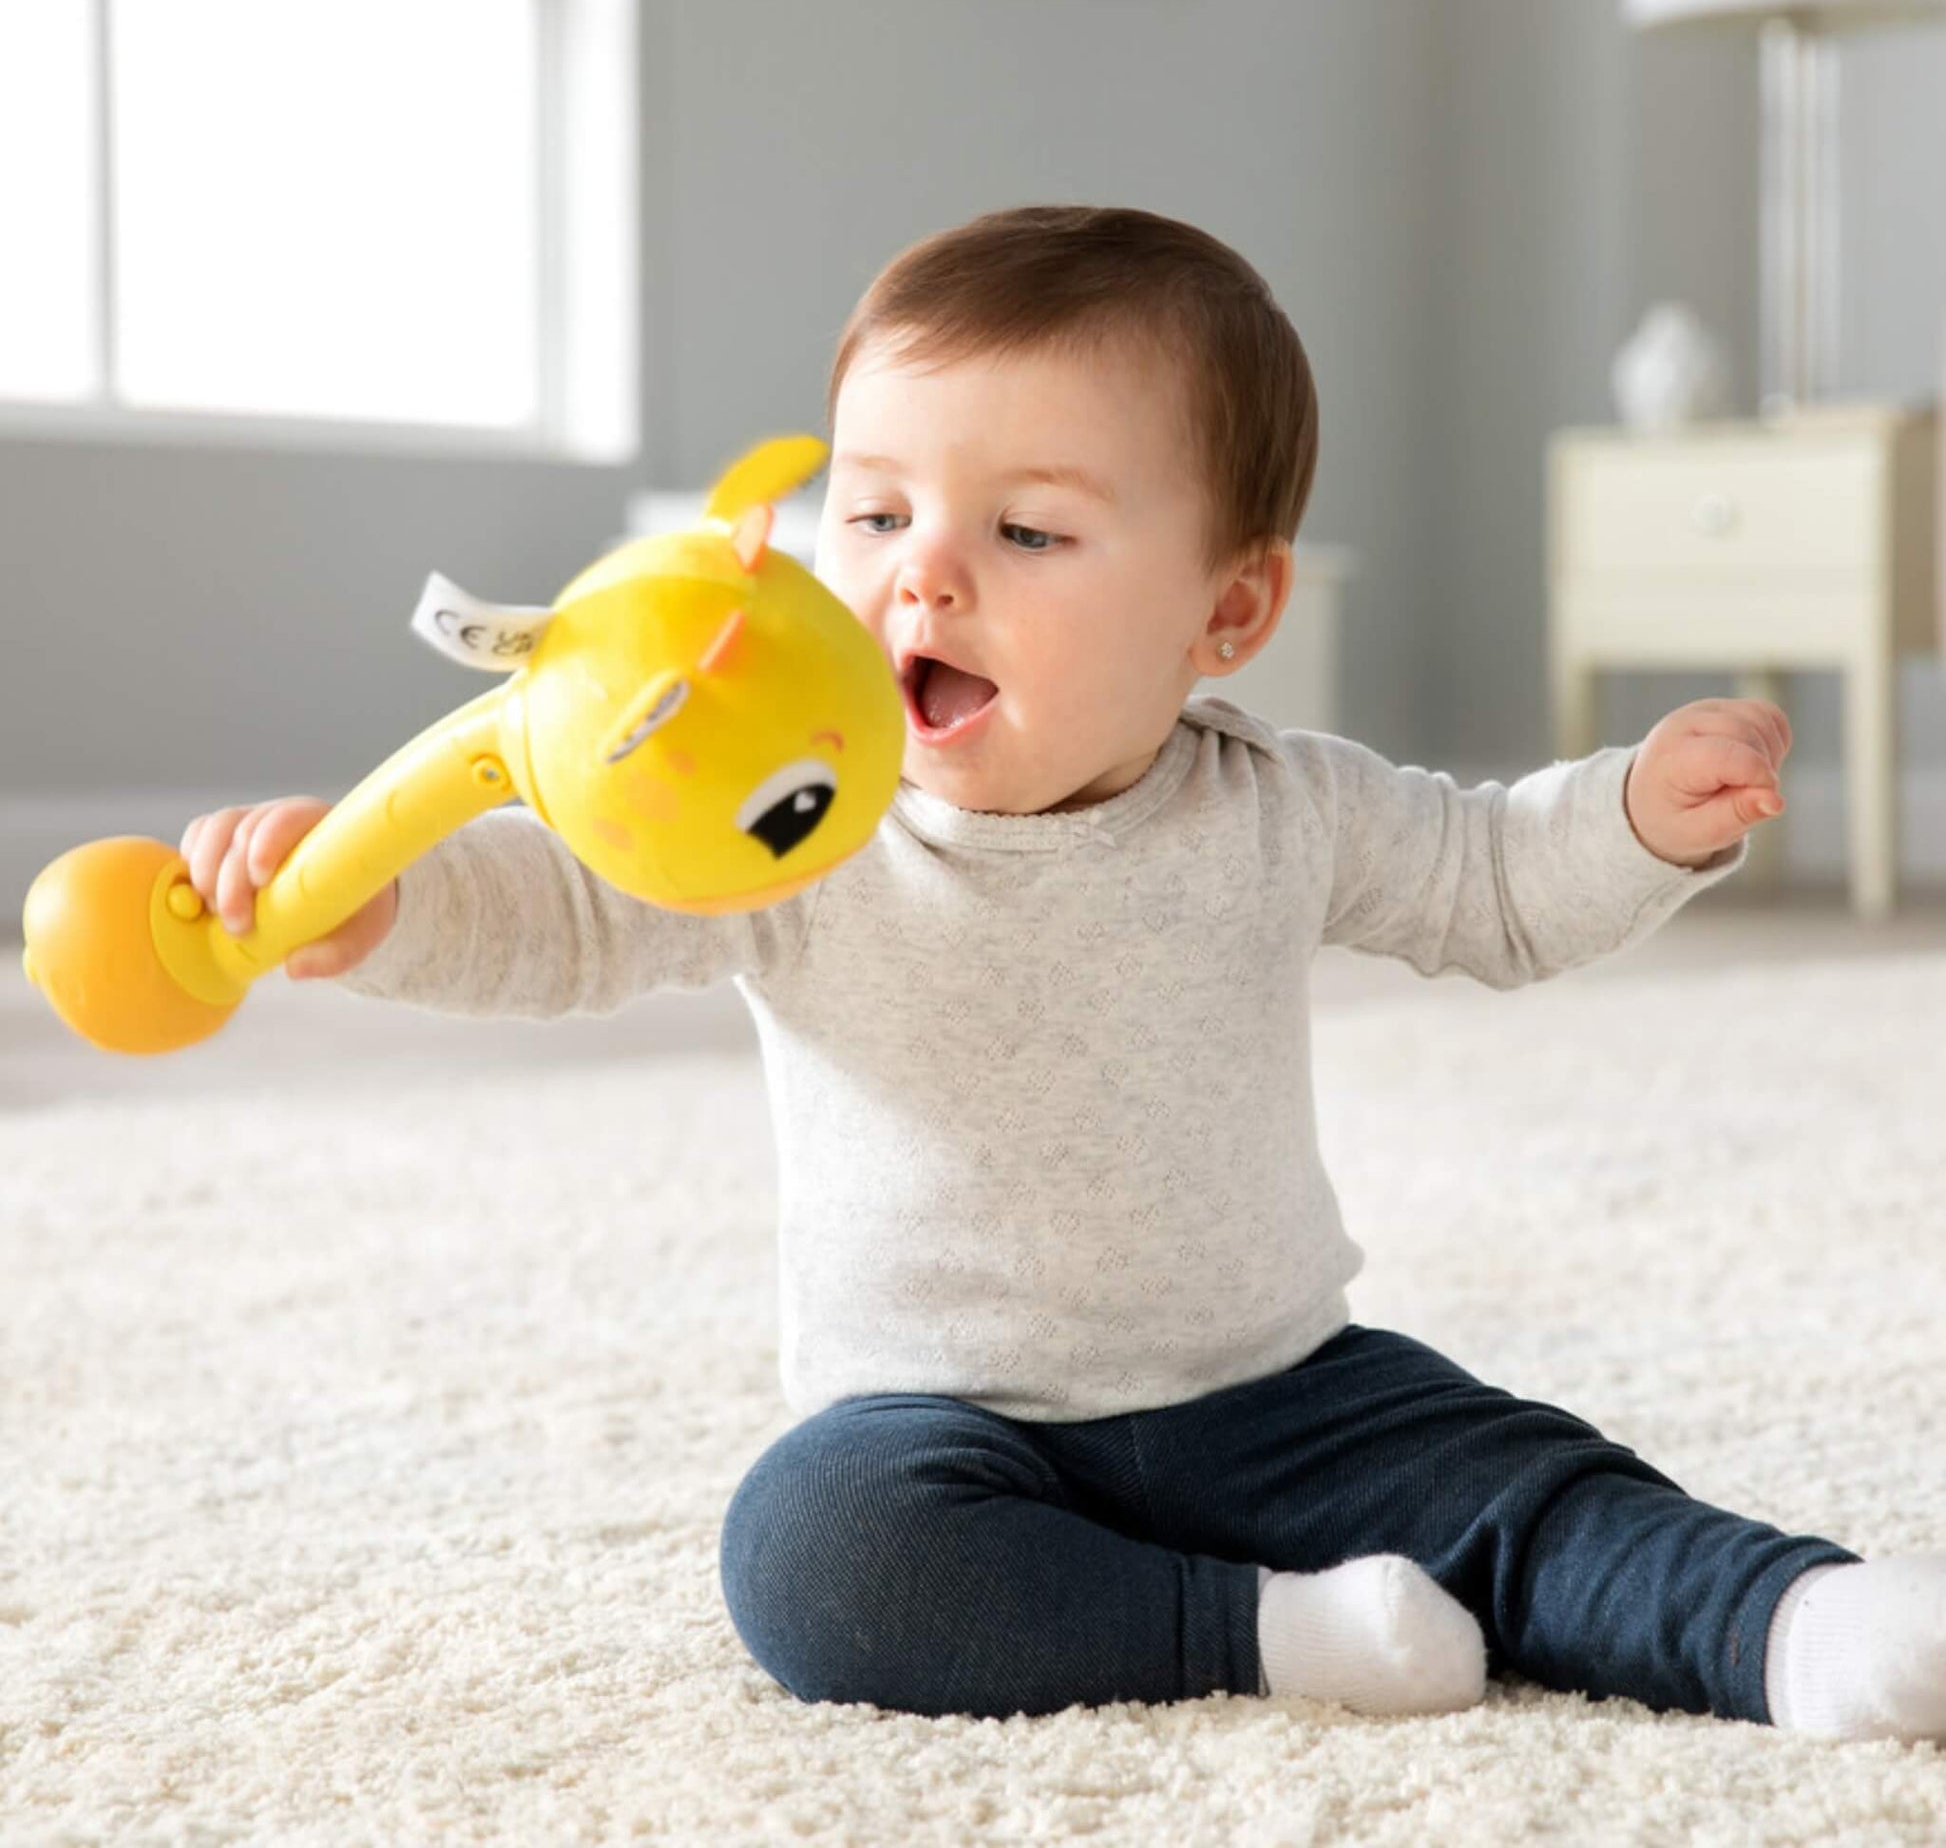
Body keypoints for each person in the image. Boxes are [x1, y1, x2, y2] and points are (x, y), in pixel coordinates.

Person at [179, 205, 1943, 1741]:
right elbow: (562, 908)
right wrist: (377, 910)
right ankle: (1270, 1636)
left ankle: (1791, 1622)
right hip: (942, 1429)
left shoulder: (1277, 802)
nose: (919, 576)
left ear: (1225, 612)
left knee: (1526, 1483)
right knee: (813, 1556)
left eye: (1025, 535)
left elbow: (1487, 880)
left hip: (1282, 1391)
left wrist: (1637, 816)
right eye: (867, 516)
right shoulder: (786, 827)